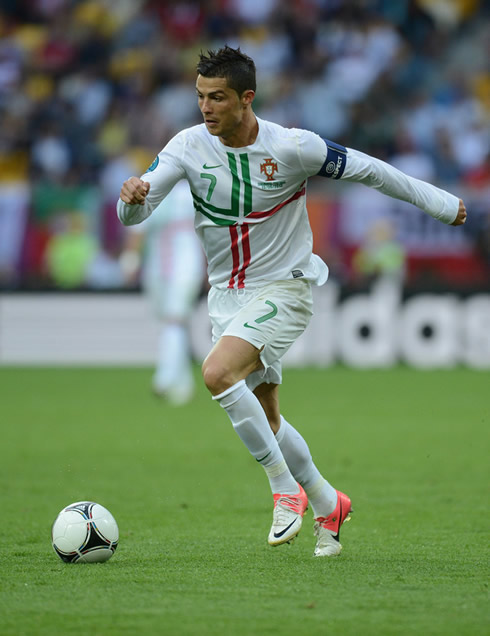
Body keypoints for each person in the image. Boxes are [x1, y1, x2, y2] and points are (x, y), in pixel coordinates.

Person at [117, 46, 467, 557]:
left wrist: (439, 203)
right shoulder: (187, 146)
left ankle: (285, 489)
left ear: (246, 99)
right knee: (267, 416)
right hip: (226, 298)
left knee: (216, 374)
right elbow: (138, 213)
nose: (206, 108)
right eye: (200, 97)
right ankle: (329, 502)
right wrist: (131, 200)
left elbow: (370, 170)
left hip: (286, 286)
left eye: (217, 98)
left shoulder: (293, 147)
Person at [120, 180, 205, 405]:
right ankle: (183, 386)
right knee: (169, 324)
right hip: (157, 267)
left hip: (186, 266)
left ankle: (164, 378)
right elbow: (137, 230)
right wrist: (131, 261)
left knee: (174, 320)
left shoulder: (194, 192)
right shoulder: (151, 191)